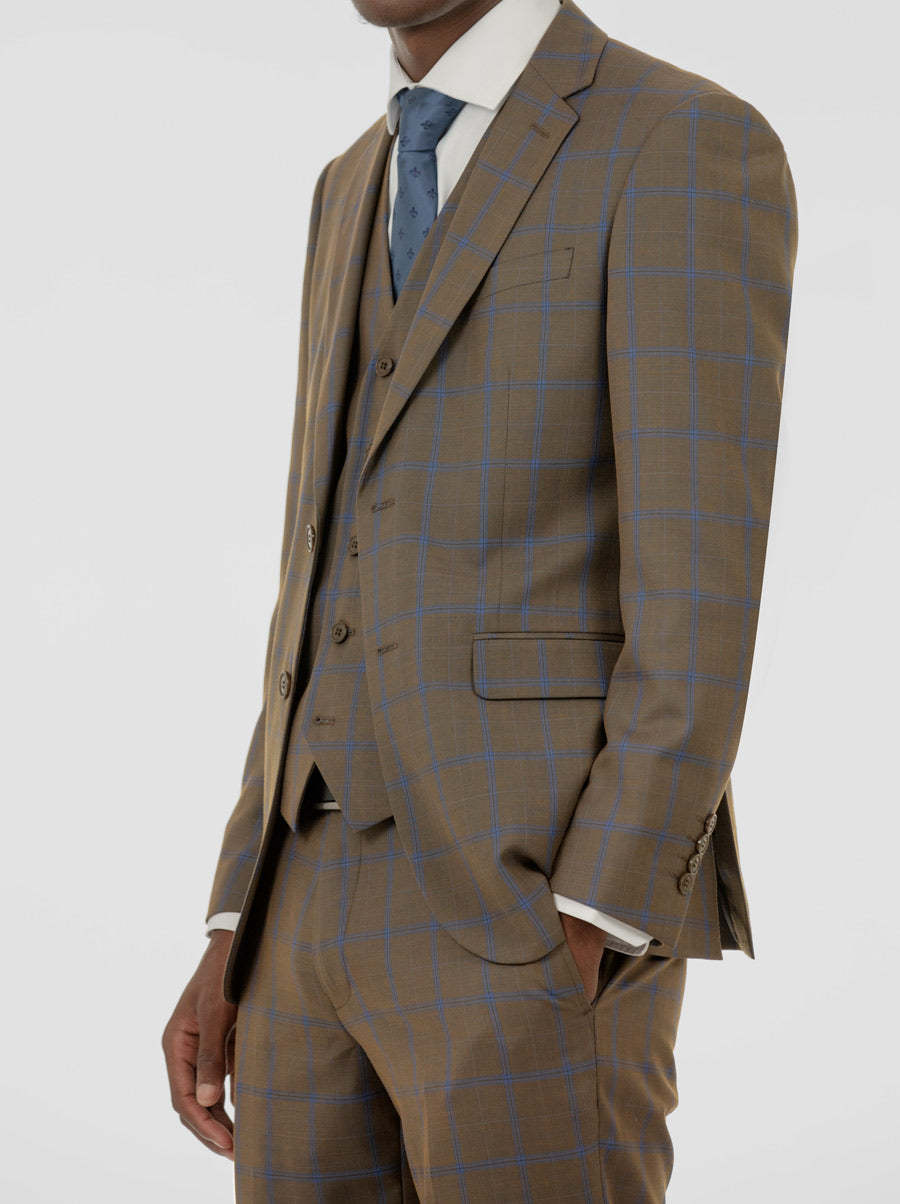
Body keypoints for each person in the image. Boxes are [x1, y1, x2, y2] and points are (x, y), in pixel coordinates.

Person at [162, 0, 798, 1198]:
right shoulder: (348, 182)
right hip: (299, 914)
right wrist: (236, 919)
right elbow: (321, 571)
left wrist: (597, 910)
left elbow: (702, 580)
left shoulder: (681, 139)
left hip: (532, 898)